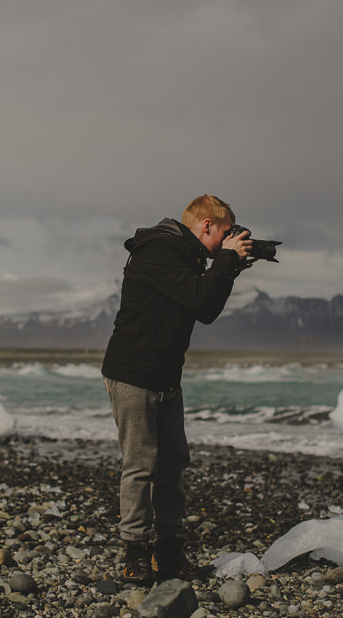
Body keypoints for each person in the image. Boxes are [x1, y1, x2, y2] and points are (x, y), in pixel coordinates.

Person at [101, 194, 251, 584]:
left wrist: (228, 267)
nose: (227, 239)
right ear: (205, 226)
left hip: (166, 376)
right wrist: (226, 261)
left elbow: (206, 310)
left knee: (172, 466)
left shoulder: (189, 260)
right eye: (225, 232)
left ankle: (169, 555)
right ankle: (135, 554)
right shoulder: (159, 251)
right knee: (141, 466)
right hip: (134, 374)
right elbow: (200, 297)